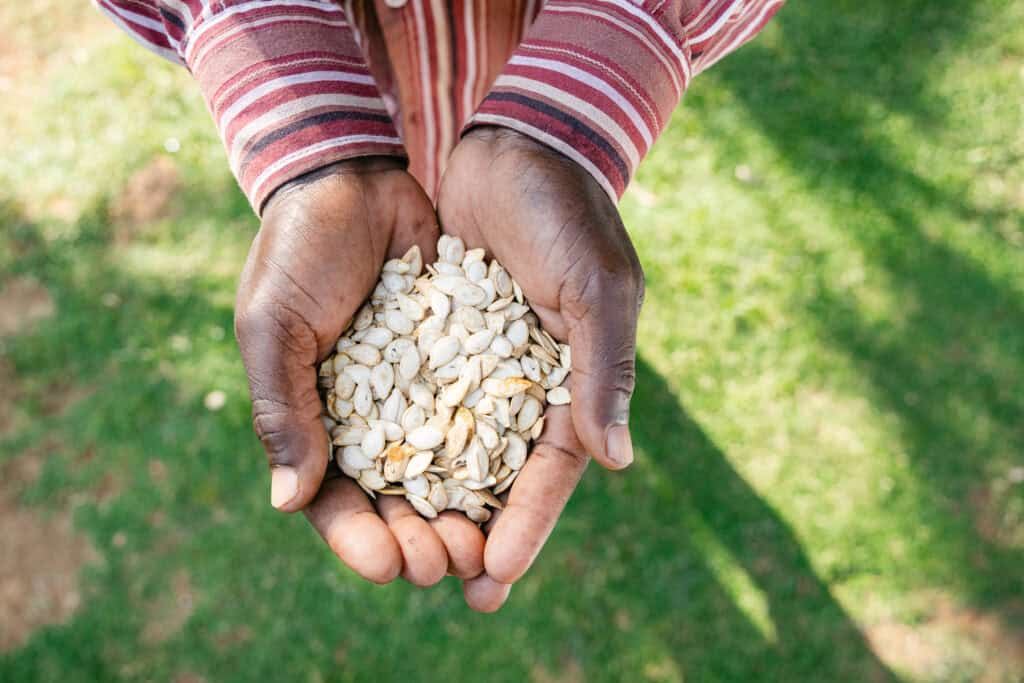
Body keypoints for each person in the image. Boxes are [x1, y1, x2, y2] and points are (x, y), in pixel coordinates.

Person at [96, 0, 784, 612]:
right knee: (559, 310)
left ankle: (568, 319)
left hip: (529, 55)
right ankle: (567, 322)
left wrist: (559, 130)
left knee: (567, 300)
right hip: (353, 85)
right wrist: (314, 153)